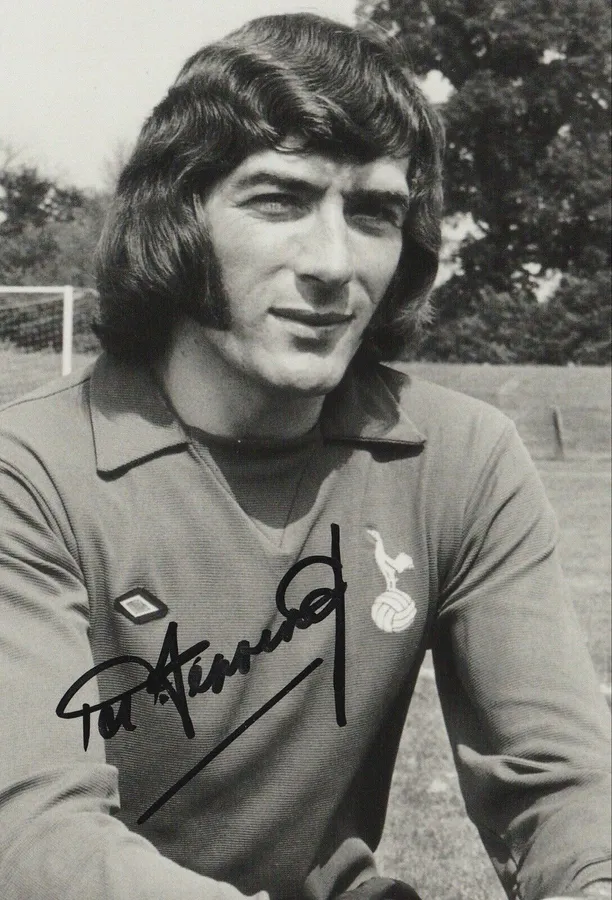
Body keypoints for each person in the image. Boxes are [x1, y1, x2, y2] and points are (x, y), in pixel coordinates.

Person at [0, 13, 609, 900]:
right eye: (279, 199)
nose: (333, 262)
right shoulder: (29, 472)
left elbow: (564, 788)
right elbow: (36, 838)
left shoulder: (462, 458)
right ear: (178, 220)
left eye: (373, 213)